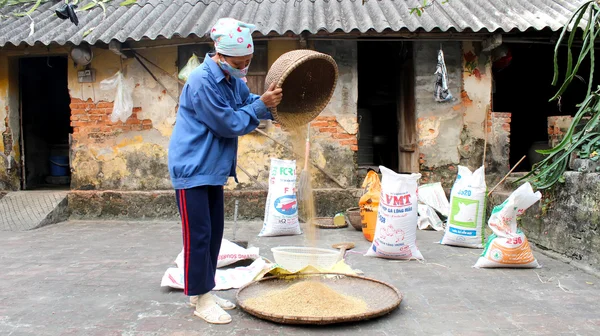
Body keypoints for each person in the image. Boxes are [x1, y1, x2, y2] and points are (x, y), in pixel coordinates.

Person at [168, 18, 282, 324]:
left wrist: (270, 104)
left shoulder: (232, 79)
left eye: (248, 62)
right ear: (220, 55)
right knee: (198, 236)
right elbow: (228, 123)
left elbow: (248, 103)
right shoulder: (201, 81)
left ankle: (205, 290)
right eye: (239, 62)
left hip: (212, 168)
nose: (244, 67)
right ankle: (199, 298)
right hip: (192, 167)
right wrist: (261, 108)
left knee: (214, 234)